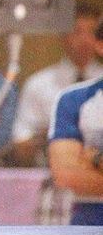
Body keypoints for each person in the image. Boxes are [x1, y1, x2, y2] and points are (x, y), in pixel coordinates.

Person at [11, 1, 102, 167]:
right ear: (63, 34)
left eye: (92, 32)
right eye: (77, 32)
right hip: (51, 175)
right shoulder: (38, 84)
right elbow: (20, 143)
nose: (85, 40)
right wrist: (53, 135)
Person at [47, 75, 103, 225]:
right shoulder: (74, 99)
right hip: (90, 226)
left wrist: (95, 158)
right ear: (99, 49)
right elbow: (66, 175)